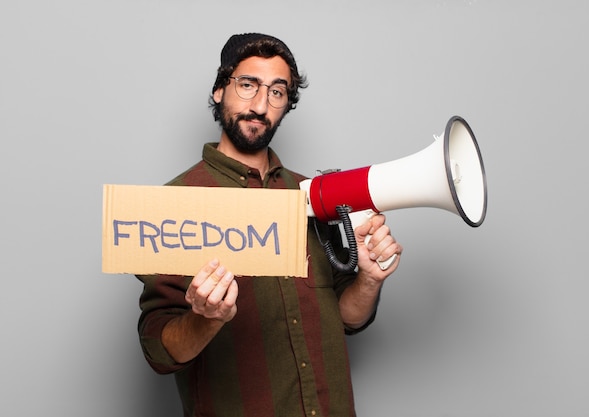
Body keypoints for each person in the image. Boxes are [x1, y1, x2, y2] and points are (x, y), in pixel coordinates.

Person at [136, 33, 403, 417]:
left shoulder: (315, 196)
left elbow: (346, 318)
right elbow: (159, 351)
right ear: (218, 91)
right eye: (248, 85)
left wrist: (368, 280)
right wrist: (204, 319)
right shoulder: (174, 205)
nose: (261, 105)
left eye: (277, 92)